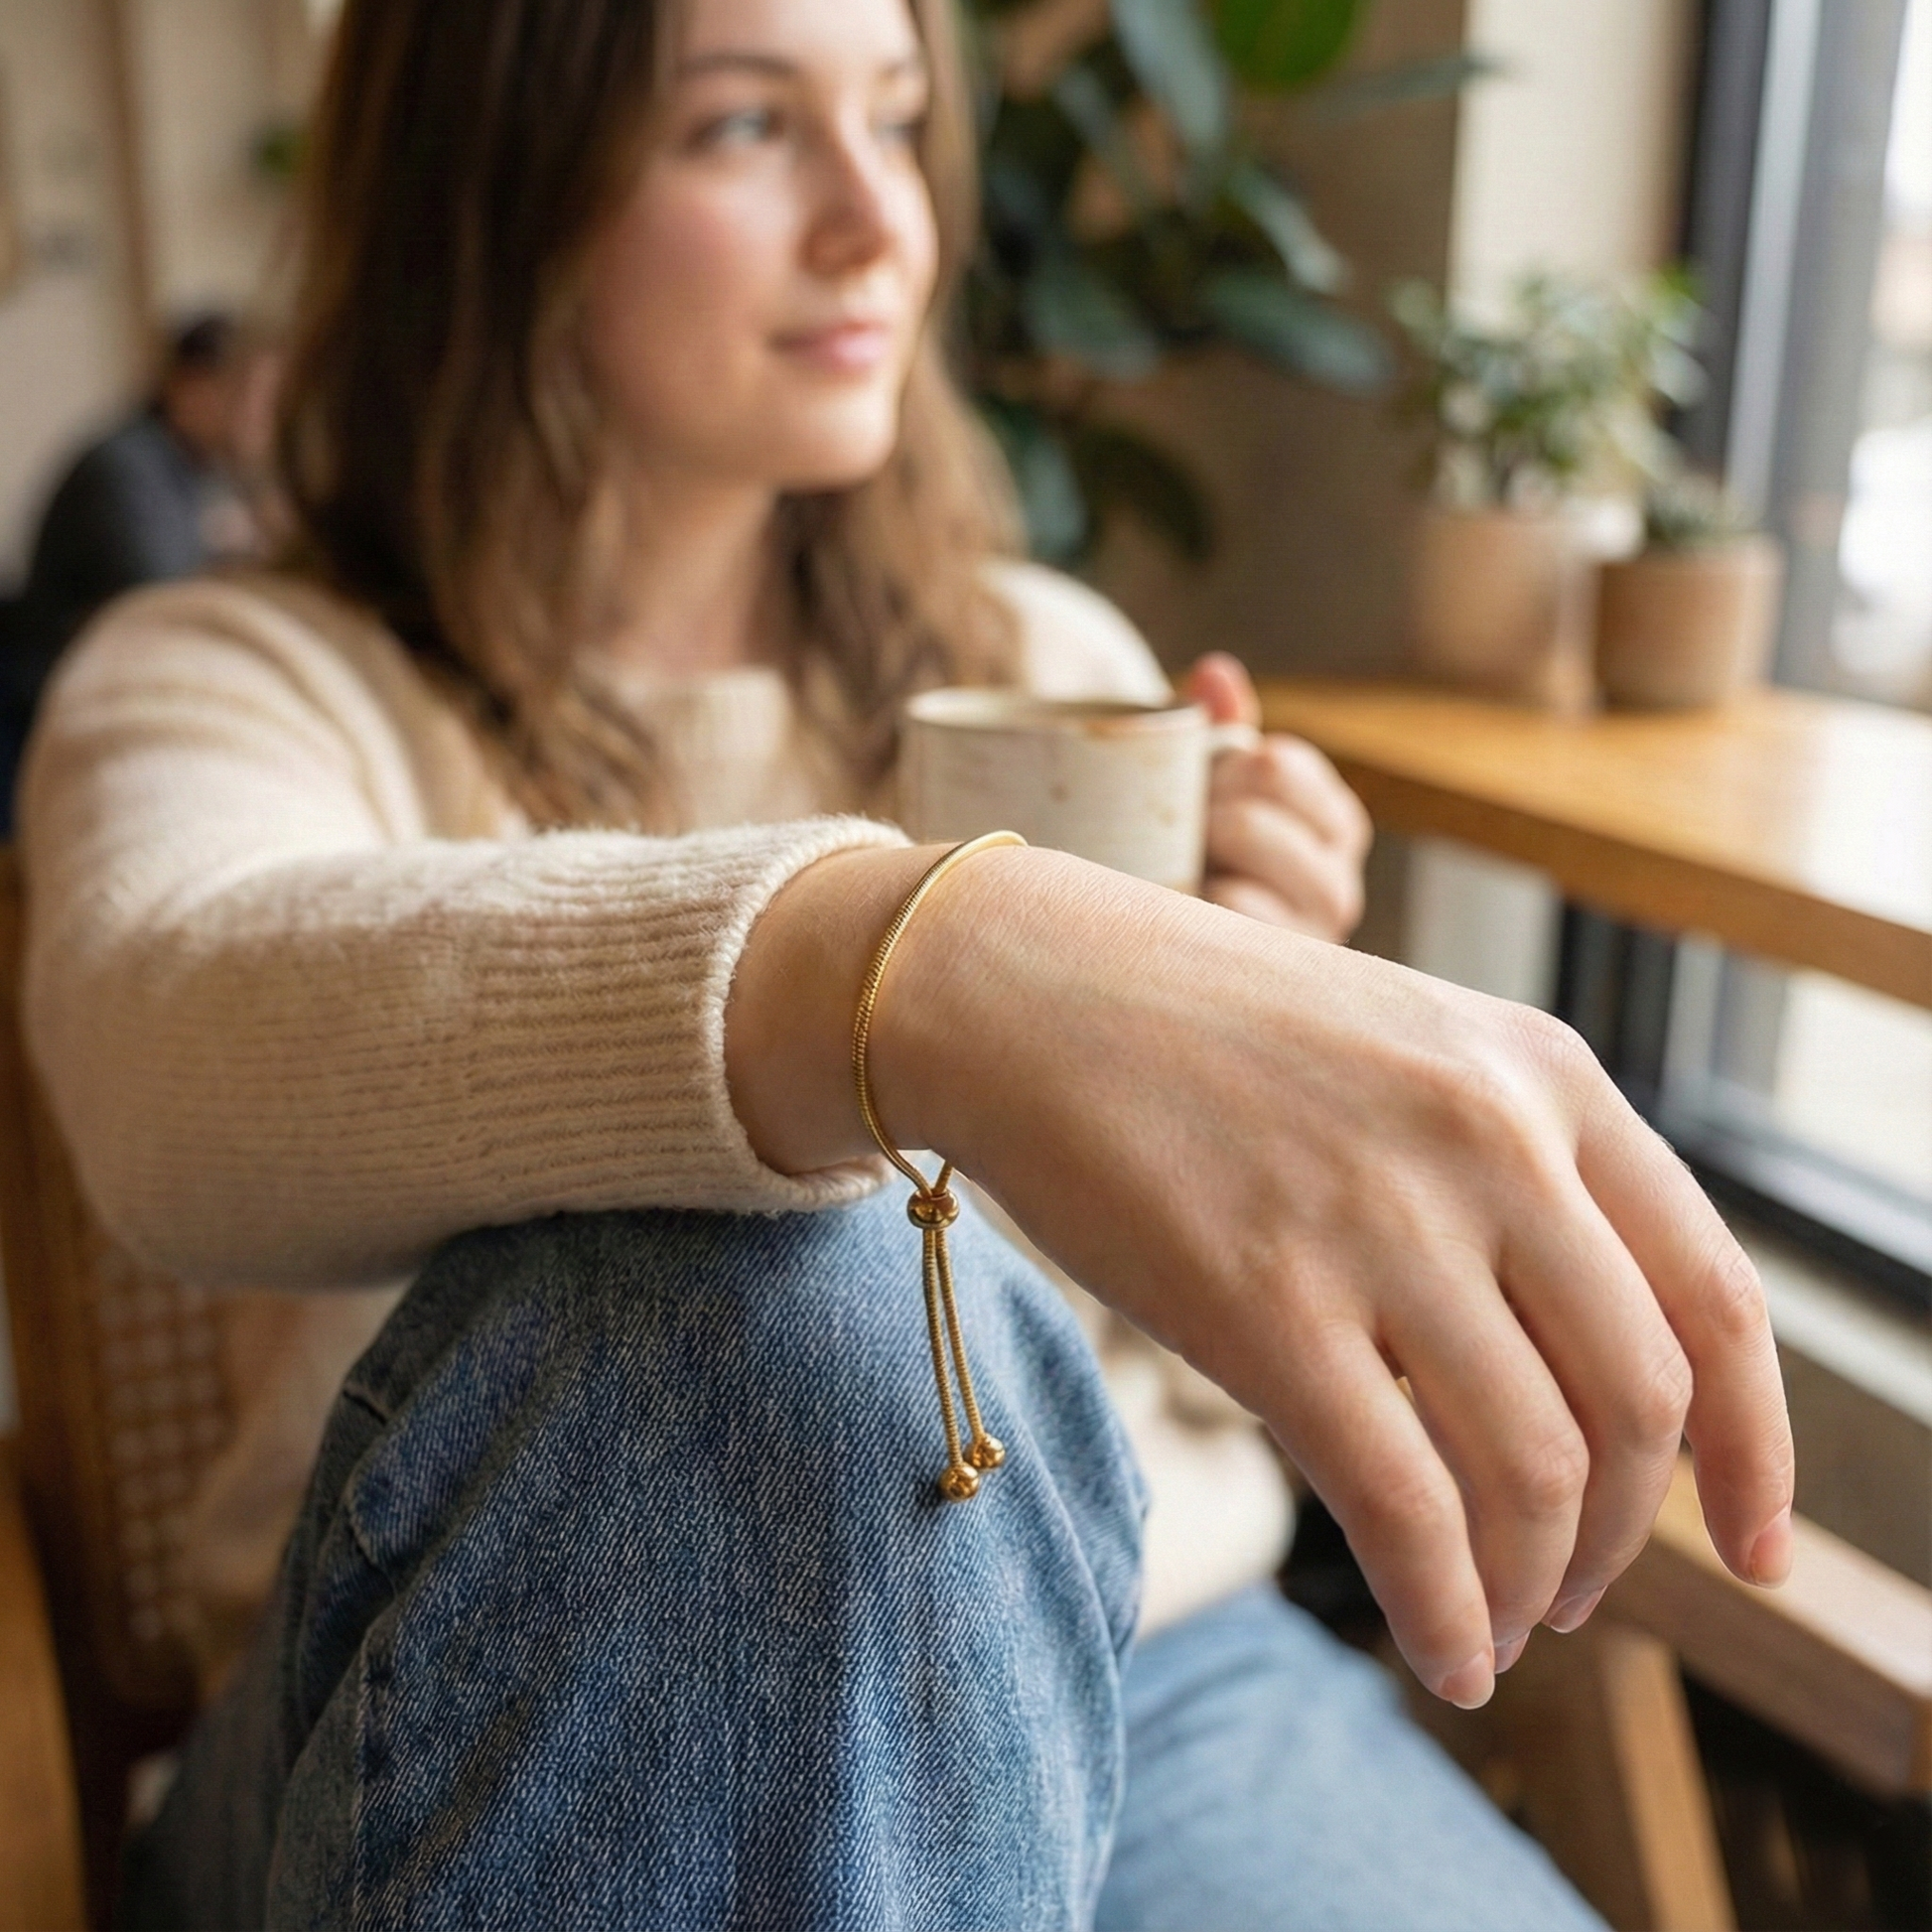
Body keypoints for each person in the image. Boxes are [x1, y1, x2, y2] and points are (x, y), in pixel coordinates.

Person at [17, 0, 1793, 1925]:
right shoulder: (241, 681)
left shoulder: (1044, 664)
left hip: (1153, 1668)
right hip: (443, 1713)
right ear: (492, 185)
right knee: (733, 1301)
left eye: (893, 118)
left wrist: (1216, 1021)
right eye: (743, 126)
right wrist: (919, 965)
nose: (881, 221)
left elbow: (1127, 1378)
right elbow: (166, 1053)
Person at [0, 312, 279, 831]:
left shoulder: (196, 471)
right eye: (250, 397)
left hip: (112, 696)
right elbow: (168, 606)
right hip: (51, 713)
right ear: (192, 388)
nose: (261, 420)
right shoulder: (124, 468)